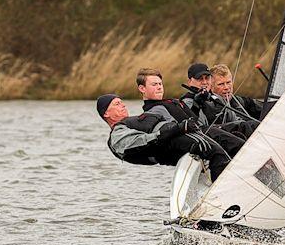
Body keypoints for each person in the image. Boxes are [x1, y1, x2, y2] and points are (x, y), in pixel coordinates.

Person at [96, 93, 231, 180]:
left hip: (185, 135)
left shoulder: (134, 121)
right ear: (106, 113)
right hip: (171, 145)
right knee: (214, 150)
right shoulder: (117, 135)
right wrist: (175, 130)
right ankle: (222, 202)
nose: (123, 105)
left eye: (121, 102)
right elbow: (142, 142)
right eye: (117, 104)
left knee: (233, 136)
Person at [135, 67, 245, 158]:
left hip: (205, 130)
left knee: (245, 127)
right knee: (239, 145)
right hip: (198, 138)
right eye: (154, 85)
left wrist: (198, 105)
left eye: (160, 84)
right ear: (142, 88)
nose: (159, 87)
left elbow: (194, 119)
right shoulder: (152, 111)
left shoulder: (171, 101)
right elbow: (166, 132)